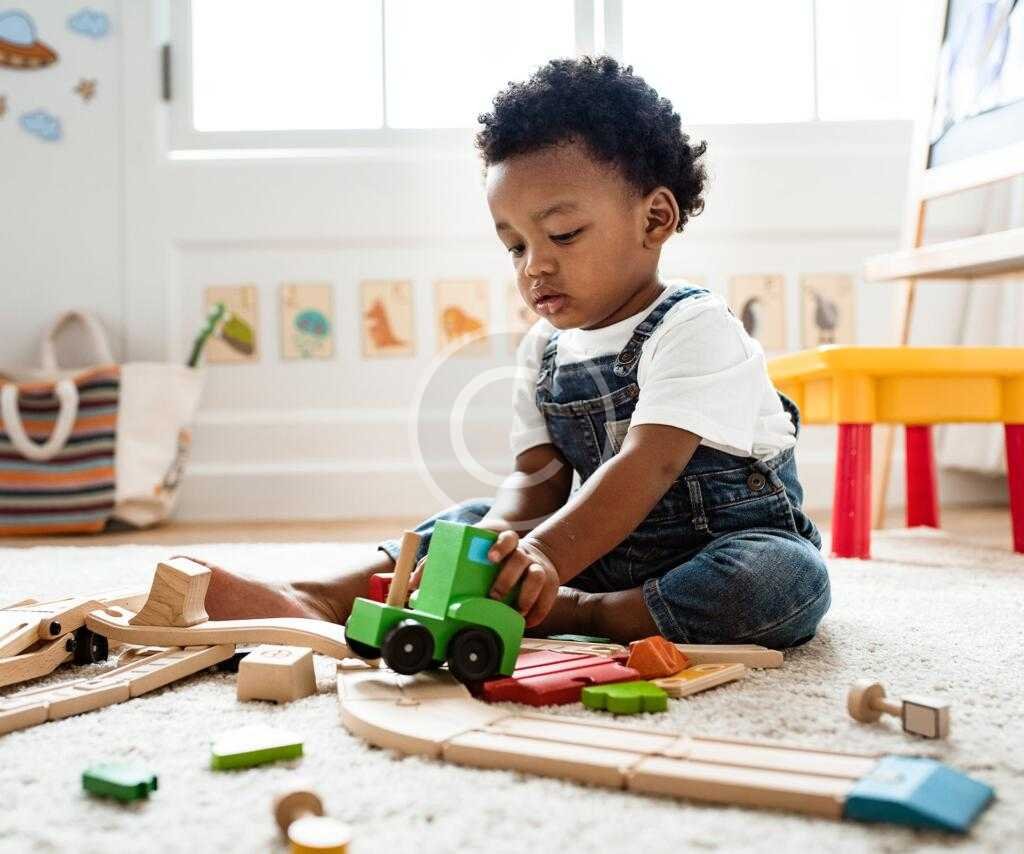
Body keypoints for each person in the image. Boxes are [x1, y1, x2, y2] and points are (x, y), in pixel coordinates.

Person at [202, 56, 830, 647]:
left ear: (654, 219)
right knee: (468, 520)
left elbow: (647, 468)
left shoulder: (695, 326)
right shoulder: (545, 349)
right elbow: (537, 486)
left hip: (714, 547)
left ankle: (586, 614)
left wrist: (546, 559)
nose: (537, 265)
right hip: (594, 548)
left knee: (779, 579)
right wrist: (482, 555)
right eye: (515, 245)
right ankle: (321, 597)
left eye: (563, 234)